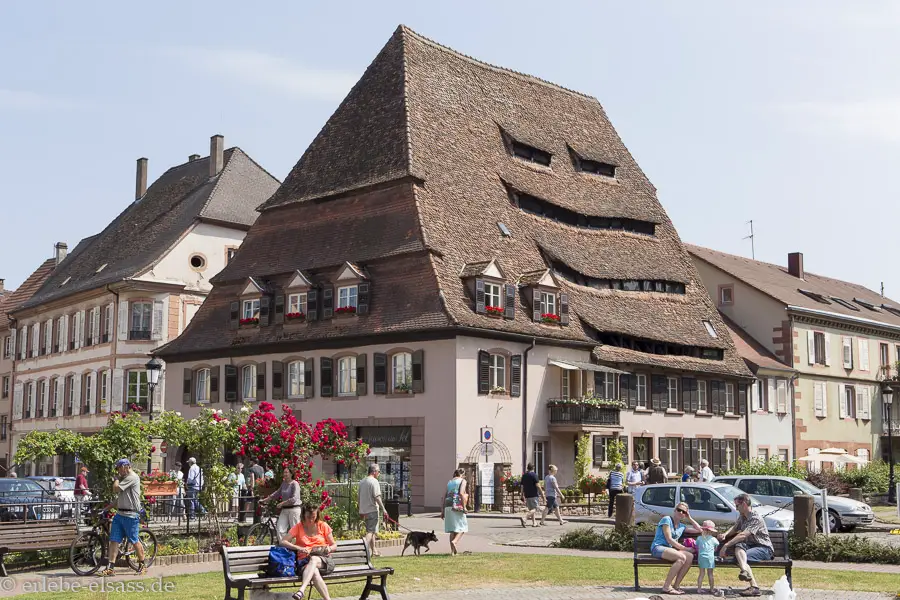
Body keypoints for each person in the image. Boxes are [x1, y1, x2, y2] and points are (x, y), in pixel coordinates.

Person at [718, 493, 774, 597]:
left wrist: (726, 546)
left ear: (743, 504)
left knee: (740, 558)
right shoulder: (742, 516)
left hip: (764, 548)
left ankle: (754, 587)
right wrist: (725, 534)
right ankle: (745, 572)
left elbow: (743, 535)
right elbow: (735, 528)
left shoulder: (755, 518)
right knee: (739, 549)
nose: (736, 508)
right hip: (751, 546)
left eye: (737, 506)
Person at [98, 459, 147, 576]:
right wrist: (106, 509)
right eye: (117, 469)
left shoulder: (132, 477)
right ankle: (110, 568)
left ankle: (142, 565)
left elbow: (116, 489)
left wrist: (115, 479)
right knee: (114, 540)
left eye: (119, 468)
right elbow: (119, 499)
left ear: (126, 466)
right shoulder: (124, 479)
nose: (118, 471)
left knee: (134, 540)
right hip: (119, 515)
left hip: (131, 515)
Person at [280, 504, 337, 600]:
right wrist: (298, 548)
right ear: (303, 515)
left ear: (317, 515)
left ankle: (301, 590)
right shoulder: (298, 527)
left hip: (324, 561)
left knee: (314, 559)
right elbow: (283, 541)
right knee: (314, 571)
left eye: (313, 517)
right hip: (304, 562)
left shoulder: (323, 526)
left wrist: (329, 549)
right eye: (308, 517)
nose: (311, 520)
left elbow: (334, 545)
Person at [650, 501, 701, 595]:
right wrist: (685, 548)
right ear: (675, 510)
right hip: (658, 548)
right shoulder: (666, 520)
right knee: (681, 557)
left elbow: (700, 530)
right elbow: (669, 539)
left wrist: (689, 517)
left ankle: (676, 586)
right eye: (679, 510)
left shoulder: (682, 526)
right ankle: (666, 587)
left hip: (670, 550)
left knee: (689, 556)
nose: (680, 512)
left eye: (683, 512)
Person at [261, 467, 303, 538]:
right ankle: (284, 545)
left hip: (294, 509)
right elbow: (277, 493)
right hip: (285, 509)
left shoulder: (295, 484)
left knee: (295, 530)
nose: (285, 474)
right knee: (280, 529)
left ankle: (297, 547)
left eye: (286, 472)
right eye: (284, 472)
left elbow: (294, 499)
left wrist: (282, 503)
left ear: (291, 474)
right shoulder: (284, 483)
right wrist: (265, 500)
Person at [358, 464, 387, 558]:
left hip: (364, 510)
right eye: (378, 471)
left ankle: (374, 551)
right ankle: (363, 550)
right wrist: (384, 509)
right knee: (370, 532)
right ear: (374, 471)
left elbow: (359, 497)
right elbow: (377, 496)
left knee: (371, 530)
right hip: (372, 510)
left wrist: (360, 510)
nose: (379, 473)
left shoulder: (362, 482)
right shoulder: (374, 481)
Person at [441, 468, 469, 555]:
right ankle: (455, 541)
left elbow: (444, 496)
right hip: (457, 504)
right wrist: (464, 507)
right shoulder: (462, 481)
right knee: (463, 526)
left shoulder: (449, 482)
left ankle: (453, 552)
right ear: (462, 474)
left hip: (448, 504)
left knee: (452, 529)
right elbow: (461, 493)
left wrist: (442, 511)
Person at [696, 520, 720, 595]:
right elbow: (716, 547)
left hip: (701, 557)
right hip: (710, 558)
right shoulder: (713, 539)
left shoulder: (699, 538)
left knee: (701, 573)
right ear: (711, 531)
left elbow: (697, 546)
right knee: (710, 574)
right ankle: (712, 589)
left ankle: (699, 589)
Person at [519, 463, 544, 528]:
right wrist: (543, 495)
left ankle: (534, 523)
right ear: (533, 468)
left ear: (527, 468)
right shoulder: (534, 475)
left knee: (531, 509)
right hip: (534, 494)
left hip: (527, 494)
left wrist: (521, 495)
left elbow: (522, 486)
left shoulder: (524, 476)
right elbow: (538, 486)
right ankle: (525, 518)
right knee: (535, 508)